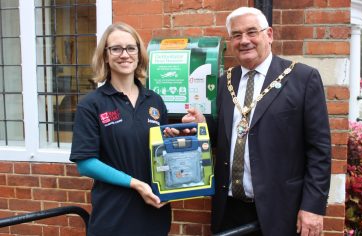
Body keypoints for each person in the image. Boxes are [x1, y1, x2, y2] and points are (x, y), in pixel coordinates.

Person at [172, 7, 332, 236]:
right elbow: (223, 138)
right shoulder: (225, 81)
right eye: (236, 35)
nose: (244, 40)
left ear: (269, 35)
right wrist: (201, 126)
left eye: (251, 32)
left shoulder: (302, 78)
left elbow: (319, 150)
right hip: (229, 208)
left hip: (281, 210)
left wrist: (313, 207)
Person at [70, 22, 171, 236]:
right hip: (113, 215)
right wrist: (136, 185)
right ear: (105, 56)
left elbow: (163, 153)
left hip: (155, 209)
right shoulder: (92, 104)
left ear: (139, 53)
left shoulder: (154, 101)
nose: (124, 54)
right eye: (116, 49)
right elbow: (86, 164)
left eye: (130, 48)